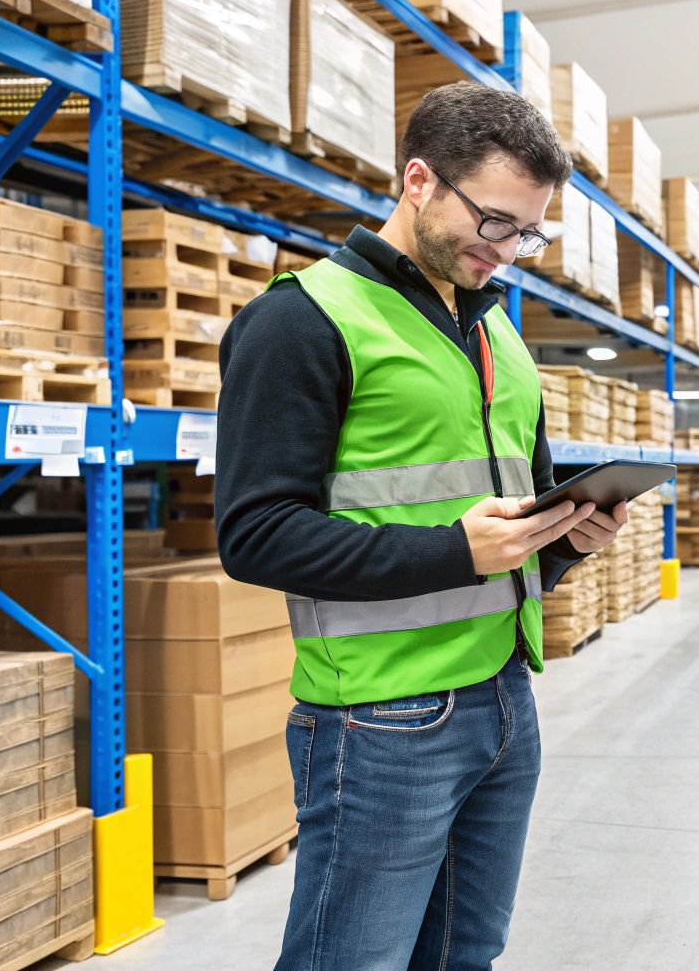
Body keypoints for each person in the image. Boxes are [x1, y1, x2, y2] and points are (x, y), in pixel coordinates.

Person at [214, 80, 627, 970]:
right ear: (418, 181)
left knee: (465, 953)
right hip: (381, 719)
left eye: (530, 233)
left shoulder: (497, 337)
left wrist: (564, 540)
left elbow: (518, 518)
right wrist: (454, 552)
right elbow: (254, 534)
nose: (510, 252)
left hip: (505, 698)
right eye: (496, 224)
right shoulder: (301, 321)